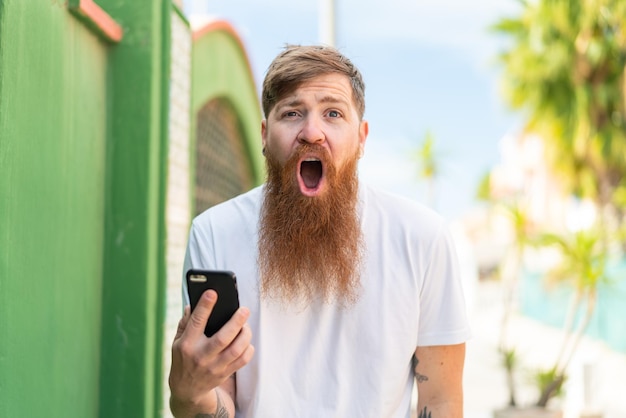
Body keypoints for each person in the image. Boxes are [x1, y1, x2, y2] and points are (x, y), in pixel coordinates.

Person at [168, 44, 472, 418]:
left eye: (333, 113)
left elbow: (440, 401)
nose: (312, 132)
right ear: (264, 135)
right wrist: (190, 396)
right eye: (292, 113)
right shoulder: (215, 232)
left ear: (362, 138)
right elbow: (216, 401)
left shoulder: (423, 238)